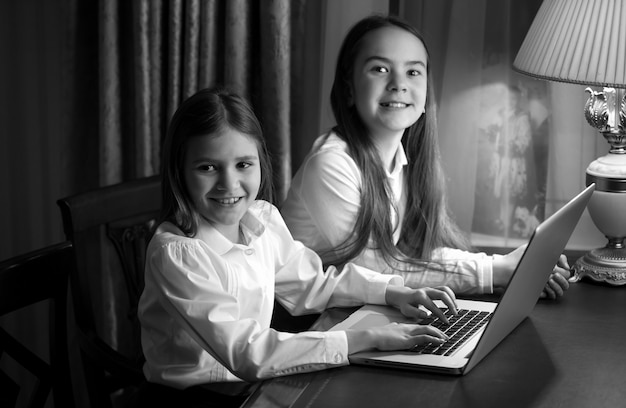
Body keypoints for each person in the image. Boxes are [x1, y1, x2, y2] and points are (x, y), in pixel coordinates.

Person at [137, 87, 459, 407]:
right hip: (195, 397)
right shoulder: (177, 253)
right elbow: (245, 352)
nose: (229, 184)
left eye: (243, 165)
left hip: (253, 384)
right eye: (207, 167)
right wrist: (366, 339)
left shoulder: (261, 220)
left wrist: (392, 292)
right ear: (179, 171)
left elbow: (312, 284)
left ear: (261, 162)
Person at [281, 15, 570, 299]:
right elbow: (379, 271)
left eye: (413, 72)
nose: (398, 83)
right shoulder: (331, 164)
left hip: (360, 313)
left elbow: (411, 256)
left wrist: (510, 264)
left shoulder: (404, 160)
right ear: (349, 90)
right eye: (380, 69)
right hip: (308, 328)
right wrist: (499, 270)